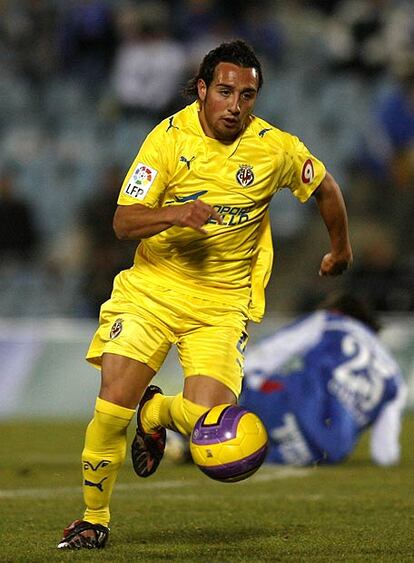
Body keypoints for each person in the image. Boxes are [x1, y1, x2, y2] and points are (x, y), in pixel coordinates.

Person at [57, 39, 352, 549]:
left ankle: (157, 414)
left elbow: (325, 186)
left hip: (222, 304)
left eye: (247, 95)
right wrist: (176, 212)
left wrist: (340, 249)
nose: (235, 105)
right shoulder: (166, 140)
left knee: (210, 429)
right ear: (201, 89)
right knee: (111, 408)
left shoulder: (275, 148)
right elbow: (124, 221)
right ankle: (93, 519)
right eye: (224, 91)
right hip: (153, 290)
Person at [241, 292, 406, 466]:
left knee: (251, 376)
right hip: (328, 452)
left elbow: (268, 353)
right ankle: (287, 450)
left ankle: (228, 433)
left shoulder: (330, 322)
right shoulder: (395, 377)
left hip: (290, 411)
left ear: (337, 310)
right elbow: (385, 453)